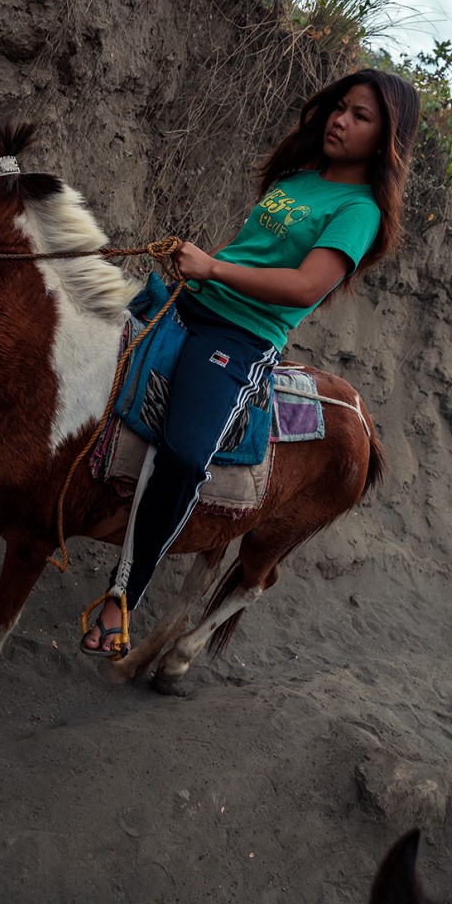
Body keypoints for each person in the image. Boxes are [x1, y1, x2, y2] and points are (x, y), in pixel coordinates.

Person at [82, 68, 420, 655]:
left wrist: (212, 267)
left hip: (238, 337)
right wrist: (204, 276)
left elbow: (303, 285)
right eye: (341, 107)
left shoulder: (359, 210)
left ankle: (122, 597)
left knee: (186, 454)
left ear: (388, 139)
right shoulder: (300, 178)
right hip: (189, 303)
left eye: (361, 116)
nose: (341, 120)